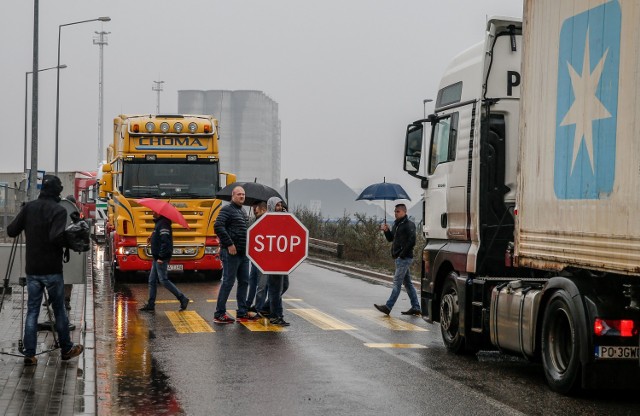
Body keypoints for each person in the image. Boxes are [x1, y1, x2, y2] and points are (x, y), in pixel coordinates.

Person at [7, 175, 84, 366]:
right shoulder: (58, 211)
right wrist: (71, 238)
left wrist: (23, 215)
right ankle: (66, 349)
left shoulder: (29, 208)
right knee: (59, 310)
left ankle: (30, 354)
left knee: (32, 310)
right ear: (57, 192)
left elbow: (11, 231)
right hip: (52, 269)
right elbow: (55, 237)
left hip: (32, 269)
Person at [213, 186, 257, 323]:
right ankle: (219, 313)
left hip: (243, 254)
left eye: (243, 194)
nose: (242, 196)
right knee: (228, 282)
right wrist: (229, 244)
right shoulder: (227, 210)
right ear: (233, 196)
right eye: (239, 194)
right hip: (231, 253)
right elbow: (218, 226)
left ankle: (242, 312)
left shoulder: (243, 211)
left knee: (244, 282)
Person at [374, 203, 421, 316]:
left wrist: (402, 254)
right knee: (408, 284)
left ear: (404, 212)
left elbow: (412, 241)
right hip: (399, 258)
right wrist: (386, 231)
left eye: (398, 211)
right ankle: (416, 307)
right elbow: (391, 239)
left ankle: (388, 307)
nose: (395, 213)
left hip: (404, 258)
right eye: (395, 211)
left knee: (396, 283)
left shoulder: (409, 225)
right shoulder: (396, 225)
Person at [139, 212, 189, 312]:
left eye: (153, 211)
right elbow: (159, 236)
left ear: (159, 213)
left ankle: (182, 298)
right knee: (152, 281)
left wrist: (161, 257)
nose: (152, 212)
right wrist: (152, 238)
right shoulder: (159, 223)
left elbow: (165, 242)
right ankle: (151, 304)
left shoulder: (163, 224)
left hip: (161, 257)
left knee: (163, 280)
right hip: (156, 257)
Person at [265, 196, 290, 326]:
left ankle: (265, 307)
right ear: (271, 206)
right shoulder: (266, 220)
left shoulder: (285, 218)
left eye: (281, 205)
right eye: (277, 205)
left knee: (284, 285)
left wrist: (287, 217)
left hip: (282, 260)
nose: (279, 208)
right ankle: (276, 315)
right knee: (275, 288)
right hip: (272, 261)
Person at [247, 201, 268, 313]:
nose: (254, 209)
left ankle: (259, 307)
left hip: (263, 260)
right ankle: (249, 304)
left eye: (256, 208)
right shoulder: (255, 220)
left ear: (263, 209)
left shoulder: (266, 221)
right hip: (255, 259)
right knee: (252, 283)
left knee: (261, 285)